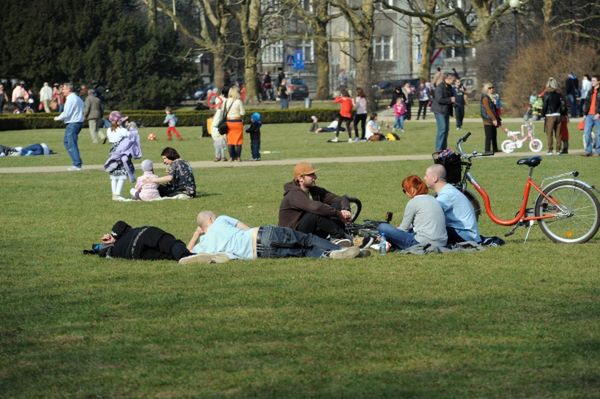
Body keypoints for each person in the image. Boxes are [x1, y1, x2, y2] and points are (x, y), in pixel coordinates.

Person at [181, 211, 362, 264]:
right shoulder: (220, 220)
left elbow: (186, 253)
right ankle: (341, 250)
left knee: (301, 253)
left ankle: (330, 256)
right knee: (306, 240)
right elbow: (246, 228)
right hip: (260, 235)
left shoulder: (203, 246)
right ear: (211, 218)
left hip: (260, 254)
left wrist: (197, 234)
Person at [278, 162, 353, 243]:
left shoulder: (314, 190)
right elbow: (316, 208)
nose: (315, 177)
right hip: (293, 236)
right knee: (315, 214)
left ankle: (340, 239)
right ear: (300, 178)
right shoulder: (294, 194)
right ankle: (341, 236)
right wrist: (338, 214)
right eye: (311, 175)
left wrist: (345, 209)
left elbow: (341, 199)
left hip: (310, 230)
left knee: (337, 205)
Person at [377, 175, 447, 250]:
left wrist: (392, 232)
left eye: (405, 190)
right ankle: (389, 241)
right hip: (442, 242)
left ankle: (386, 241)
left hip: (423, 242)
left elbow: (404, 229)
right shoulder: (433, 199)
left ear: (412, 189)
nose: (405, 193)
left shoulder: (413, 202)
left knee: (382, 227)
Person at [424, 164, 480, 244]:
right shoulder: (448, 190)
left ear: (434, 178)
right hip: (467, 234)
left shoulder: (446, 195)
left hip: (466, 236)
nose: (424, 178)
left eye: (426, 176)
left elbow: (430, 216)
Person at [89, 220, 194, 261]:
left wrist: (112, 238)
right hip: (145, 233)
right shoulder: (112, 248)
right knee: (171, 245)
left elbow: (121, 226)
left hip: (135, 253)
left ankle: (187, 258)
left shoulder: (111, 251)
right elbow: (121, 224)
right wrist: (113, 236)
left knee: (167, 255)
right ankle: (187, 256)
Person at [53, 82, 85, 171]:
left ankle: (77, 164)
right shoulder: (77, 98)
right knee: (67, 142)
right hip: (76, 123)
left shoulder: (71, 99)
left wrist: (57, 118)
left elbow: (66, 113)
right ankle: (77, 161)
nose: (62, 91)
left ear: (69, 89)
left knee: (71, 143)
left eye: (63, 89)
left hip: (73, 123)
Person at [104, 111, 132, 200]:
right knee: (122, 174)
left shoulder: (108, 130)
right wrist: (128, 127)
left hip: (112, 152)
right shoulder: (122, 130)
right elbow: (131, 136)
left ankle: (114, 194)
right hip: (120, 152)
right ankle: (118, 194)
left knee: (113, 174)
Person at [431, 73, 456, 151]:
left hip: (446, 110)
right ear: (447, 79)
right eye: (452, 80)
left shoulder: (449, 87)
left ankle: (444, 148)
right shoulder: (440, 87)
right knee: (442, 128)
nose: (453, 81)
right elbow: (439, 99)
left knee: (446, 129)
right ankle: (438, 148)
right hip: (439, 110)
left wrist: (454, 102)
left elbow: (452, 97)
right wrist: (450, 100)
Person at [541, 77, 565, 155]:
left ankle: (550, 150)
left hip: (550, 116)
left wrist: (542, 114)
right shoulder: (559, 94)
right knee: (558, 134)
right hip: (558, 115)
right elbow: (563, 105)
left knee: (549, 133)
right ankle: (558, 150)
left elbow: (544, 106)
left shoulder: (546, 94)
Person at [224, 86, 246, 161]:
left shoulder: (226, 101)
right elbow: (242, 113)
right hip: (237, 122)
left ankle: (231, 157)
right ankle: (238, 157)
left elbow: (223, 112)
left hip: (229, 122)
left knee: (230, 141)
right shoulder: (238, 101)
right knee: (238, 141)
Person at [581, 74, 600, 157]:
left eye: (594, 81)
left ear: (598, 81)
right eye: (591, 80)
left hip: (598, 116)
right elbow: (587, 103)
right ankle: (588, 151)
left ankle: (598, 151)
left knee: (598, 134)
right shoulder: (590, 91)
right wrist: (585, 114)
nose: (592, 82)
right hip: (589, 115)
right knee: (586, 133)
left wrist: (599, 113)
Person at [480, 82, 501, 154]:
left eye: (492, 88)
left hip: (492, 118)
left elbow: (493, 109)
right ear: (486, 89)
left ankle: (495, 149)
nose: (491, 89)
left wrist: (495, 103)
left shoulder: (490, 97)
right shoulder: (485, 98)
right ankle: (487, 150)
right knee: (488, 135)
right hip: (487, 119)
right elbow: (488, 109)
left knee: (494, 134)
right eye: (489, 88)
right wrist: (494, 119)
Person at [209, 88, 227, 162]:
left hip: (216, 127)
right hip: (218, 127)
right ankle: (220, 157)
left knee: (218, 143)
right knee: (220, 143)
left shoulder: (219, 109)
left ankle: (218, 157)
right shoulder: (221, 110)